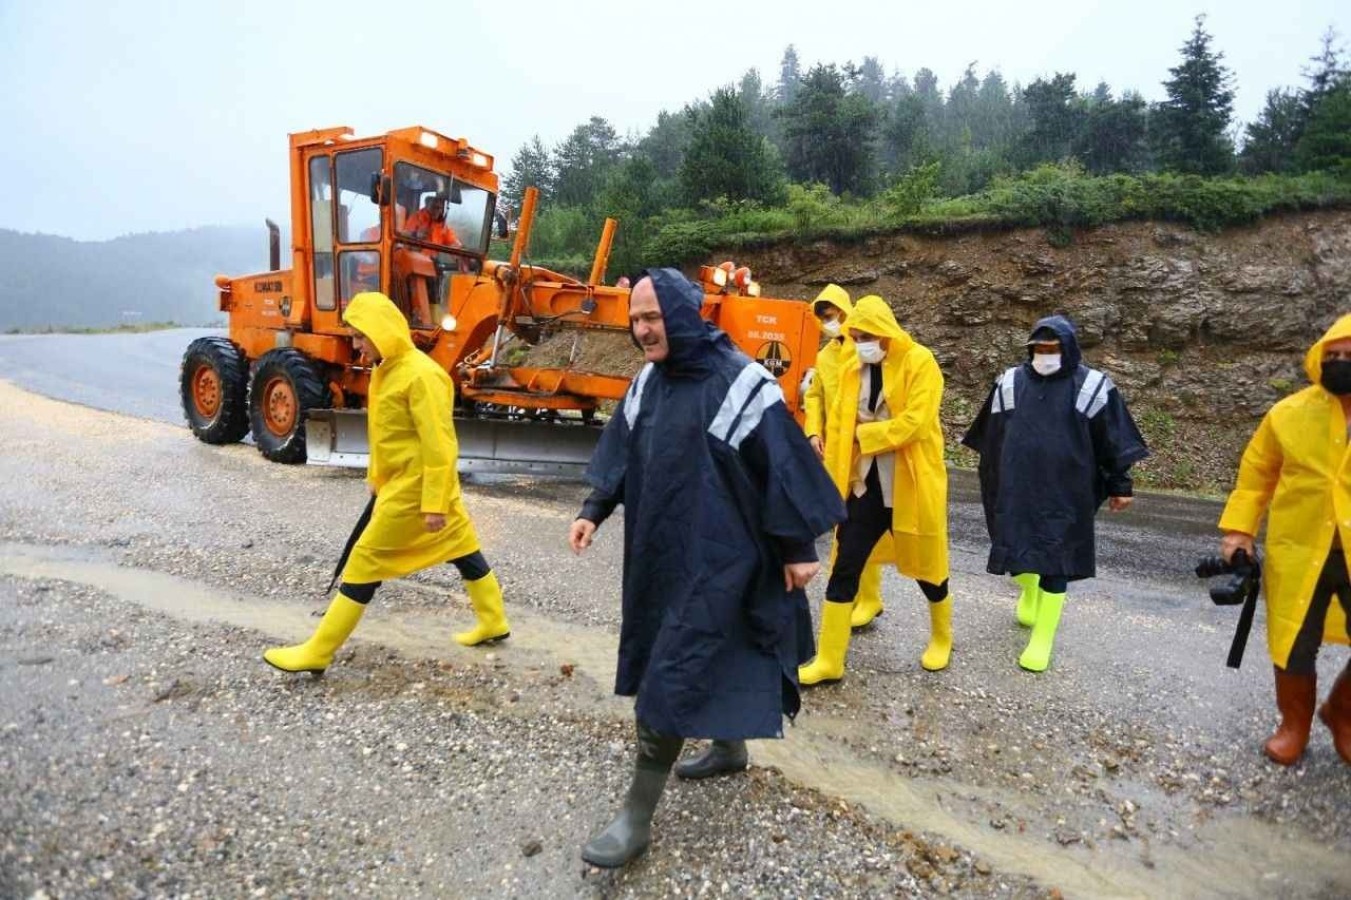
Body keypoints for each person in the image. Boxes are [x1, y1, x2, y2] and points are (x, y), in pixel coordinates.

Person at [567, 268, 845, 867]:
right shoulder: (646, 384)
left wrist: (798, 548)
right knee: (714, 644)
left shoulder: (743, 383)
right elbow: (621, 450)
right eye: (636, 319)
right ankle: (729, 746)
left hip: (725, 552)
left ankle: (635, 818)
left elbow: (781, 466)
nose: (642, 329)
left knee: (674, 668)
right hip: (659, 549)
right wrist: (595, 508)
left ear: (685, 314)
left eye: (653, 316)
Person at [263, 291, 510, 674]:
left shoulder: (422, 375)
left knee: (365, 560)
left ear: (382, 330)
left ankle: (319, 651)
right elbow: (388, 435)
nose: (357, 344)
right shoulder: (386, 368)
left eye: (361, 336)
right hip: (402, 484)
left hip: (416, 491)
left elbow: (440, 445)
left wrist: (433, 503)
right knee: (462, 547)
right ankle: (493, 621)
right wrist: (376, 478)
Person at [962, 315, 1147, 672]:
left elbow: (1113, 439)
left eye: (1053, 348)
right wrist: (992, 479)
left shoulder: (1093, 386)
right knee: (1015, 544)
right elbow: (991, 436)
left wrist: (1120, 485)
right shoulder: (1010, 381)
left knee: (1057, 558)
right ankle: (1028, 590)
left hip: (1068, 491)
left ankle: (1042, 638)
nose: (1045, 354)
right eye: (1039, 349)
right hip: (1016, 486)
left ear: (1069, 348)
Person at [1218, 314, 1351, 767]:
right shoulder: (1289, 413)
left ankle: (1342, 714)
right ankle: (1293, 725)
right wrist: (1240, 530)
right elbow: (1257, 475)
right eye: (1332, 355)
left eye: (1349, 356)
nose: (1339, 362)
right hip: (1297, 553)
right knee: (1294, 642)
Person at [798, 295, 953, 685]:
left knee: (927, 570)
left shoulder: (921, 362)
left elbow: (916, 423)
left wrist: (862, 435)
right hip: (864, 485)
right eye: (856, 335)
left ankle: (941, 637)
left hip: (910, 485)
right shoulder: (853, 368)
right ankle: (830, 659)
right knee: (845, 563)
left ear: (886, 332)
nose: (861, 341)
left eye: (867, 335)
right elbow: (836, 416)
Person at [801, 284, 892, 630]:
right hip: (838, 452)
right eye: (823, 317)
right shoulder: (825, 357)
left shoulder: (866, 347)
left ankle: (869, 597)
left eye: (834, 314)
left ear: (845, 310)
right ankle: (857, 593)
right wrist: (813, 431)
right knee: (848, 526)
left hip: (869, 449)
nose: (830, 322)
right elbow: (815, 396)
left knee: (865, 525)